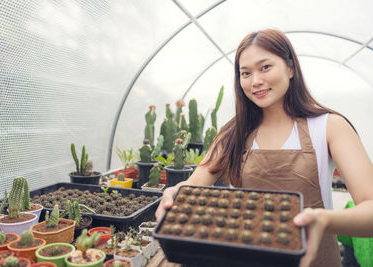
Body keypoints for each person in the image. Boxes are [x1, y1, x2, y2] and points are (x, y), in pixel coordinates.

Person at [155, 29, 373, 267]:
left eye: (265, 67)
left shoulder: (328, 127)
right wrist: (176, 192)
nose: (255, 81)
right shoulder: (234, 133)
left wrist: (324, 220)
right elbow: (194, 186)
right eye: (245, 73)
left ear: (290, 68)